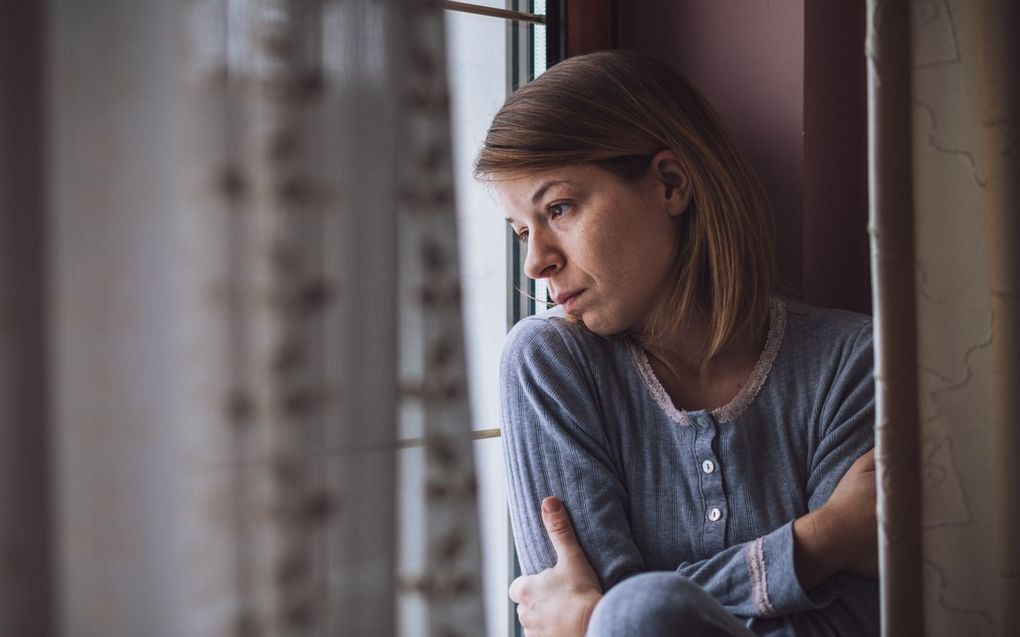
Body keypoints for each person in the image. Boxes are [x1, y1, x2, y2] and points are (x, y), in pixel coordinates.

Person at [474, 50, 878, 637]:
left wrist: (599, 618)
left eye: (558, 208)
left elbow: (850, 625)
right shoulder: (549, 364)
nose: (536, 261)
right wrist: (820, 542)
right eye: (521, 231)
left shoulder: (851, 362)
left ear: (670, 183)